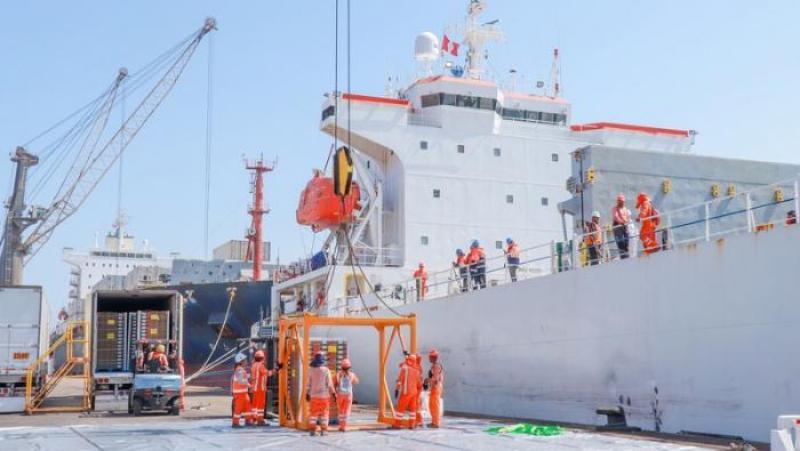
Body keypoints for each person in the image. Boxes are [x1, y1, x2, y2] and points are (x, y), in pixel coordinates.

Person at [306, 351, 335, 436]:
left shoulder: (311, 370)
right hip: (324, 396)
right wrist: (334, 393)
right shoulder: (326, 370)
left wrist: (307, 393)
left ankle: (312, 430)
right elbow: (329, 384)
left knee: (313, 414)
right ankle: (324, 430)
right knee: (324, 414)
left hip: (314, 396)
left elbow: (308, 383)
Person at [393, 354, 422, 429]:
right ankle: (412, 424)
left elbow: (400, 379)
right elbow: (419, 383)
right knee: (413, 409)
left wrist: (397, 389)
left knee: (400, 407)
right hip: (414, 392)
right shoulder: (417, 370)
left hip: (406, 391)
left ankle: (397, 424)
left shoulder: (405, 367)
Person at [250, 349, 278, 426]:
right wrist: (276, 370)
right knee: (260, 405)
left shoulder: (253, 365)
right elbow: (267, 373)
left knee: (254, 405)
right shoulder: (260, 366)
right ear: (262, 358)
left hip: (254, 388)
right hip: (260, 388)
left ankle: (253, 418)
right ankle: (260, 420)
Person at [334, 358, 359, 432]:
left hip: (340, 395)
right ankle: (344, 427)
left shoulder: (338, 374)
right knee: (346, 411)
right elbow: (356, 382)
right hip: (348, 395)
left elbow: (334, 383)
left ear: (341, 367)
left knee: (340, 411)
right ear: (349, 367)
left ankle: (341, 426)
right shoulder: (351, 374)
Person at [231, 352, 253, 428]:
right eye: (245, 360)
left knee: (248, 407)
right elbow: (241, 381)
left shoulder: (240, 370)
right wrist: (249, 384)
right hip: (240, 394)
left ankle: (248, 421)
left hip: (243, 393)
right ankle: (235, 423)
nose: (246, 361)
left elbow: (242, 378)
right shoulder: (239, 370)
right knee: (238, 408)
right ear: (241, 361)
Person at [424, 349, 444, 428]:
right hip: (434, 387)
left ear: (433, 357)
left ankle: (436, 423)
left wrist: (426, 381)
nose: (429, 358)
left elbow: (435, 378)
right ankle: (434, 422)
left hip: (436, 387)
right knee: (431, 405)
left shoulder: (436, 366)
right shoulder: (434, 366)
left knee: (435, 405)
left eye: (430, 357)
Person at [611, 194, 632, 259]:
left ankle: (627, 255)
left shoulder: (625, 209)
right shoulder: (615, 209)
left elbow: (628, 217)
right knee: (620, 242)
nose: (622, 202)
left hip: (625, 226)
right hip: (617, 226)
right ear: (618, 201)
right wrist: (622, 222)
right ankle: (623, 256)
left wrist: (626, 222)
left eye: (622, 201)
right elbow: (616, 217)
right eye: (620, 201)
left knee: (626, 241)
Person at [413, 354, 424, 428]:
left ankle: (419, 420)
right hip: (418, 387)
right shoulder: (419, 367)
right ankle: (418, 420)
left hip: (417, 387)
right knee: (417, 404)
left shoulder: (416, 367)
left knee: (416, 404)